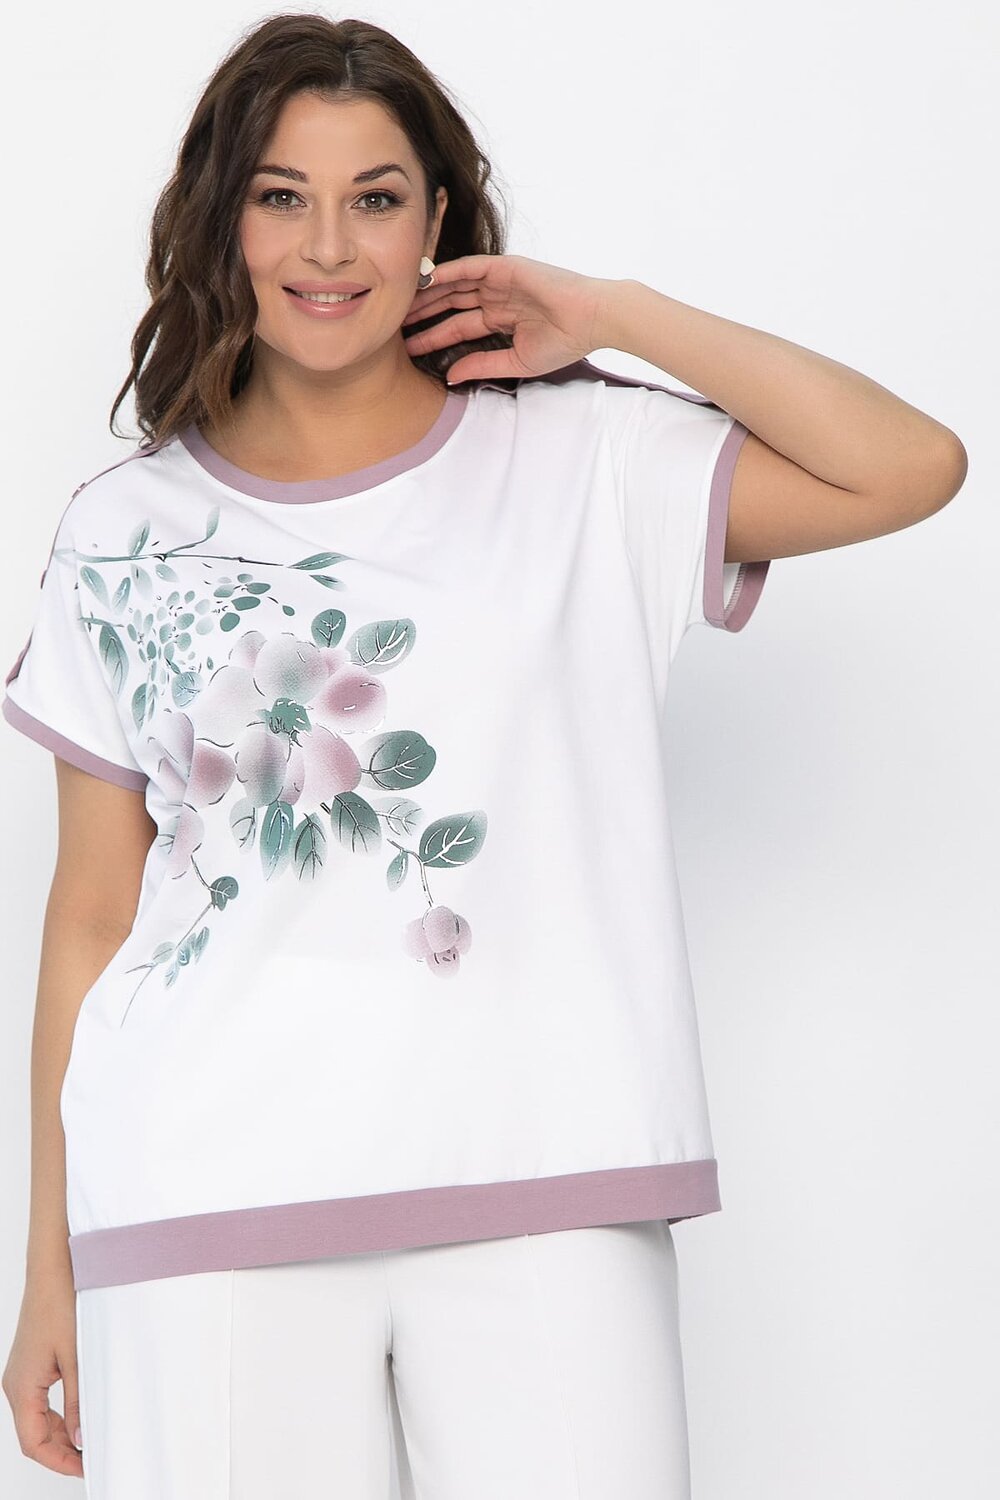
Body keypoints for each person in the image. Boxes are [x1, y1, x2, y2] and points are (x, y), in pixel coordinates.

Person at [0, 13, 967, 1500]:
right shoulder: (123, 532)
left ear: (439, 222)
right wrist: (47, 1265)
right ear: (220, 217)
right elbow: (89, 915)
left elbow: (910, 466)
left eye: (377, 197)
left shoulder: (586, 458)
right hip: (204, 1196)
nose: (329, 246)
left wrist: (617, 314)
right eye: (280, 195)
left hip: (547, 1183)